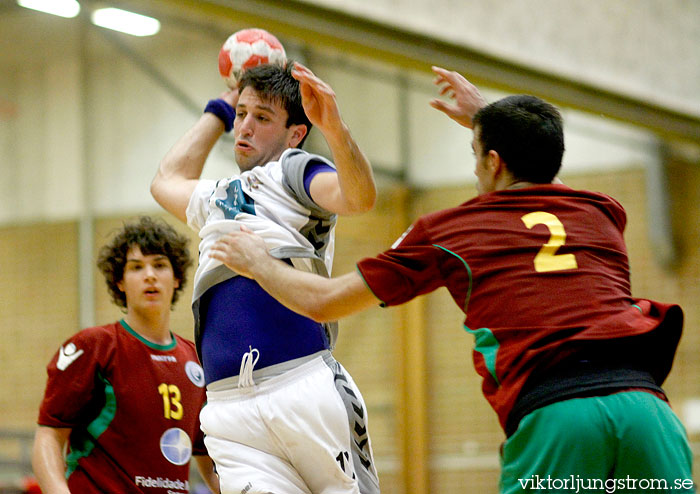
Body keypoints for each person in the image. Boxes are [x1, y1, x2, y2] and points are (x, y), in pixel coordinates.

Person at [208, 66, 694, 493]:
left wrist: (258, 262)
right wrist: (490, 118)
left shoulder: (455, 228)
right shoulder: (602, 212)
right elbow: (541, 169)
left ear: (493, 162)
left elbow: (326, 300)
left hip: (558, 415)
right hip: (648, 412)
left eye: (476, 151)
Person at [150, 61, 380, 494]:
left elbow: (360, 196)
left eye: (262, 118)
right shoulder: (216, 194)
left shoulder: (294, 171)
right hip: (228, 408)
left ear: (295, 133)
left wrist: (334, 127)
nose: (245, 128)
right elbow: (166, 181)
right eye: (242, 116)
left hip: (300, 386)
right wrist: (220, 108)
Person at [32, 216, 219, 494]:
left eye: (159, 265)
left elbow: (207, 456)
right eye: (136, 267)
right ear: (120, 281)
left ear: (176, 277)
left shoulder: (196, 360)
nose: (150, 275)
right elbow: (48, 435)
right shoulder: (94, 346)